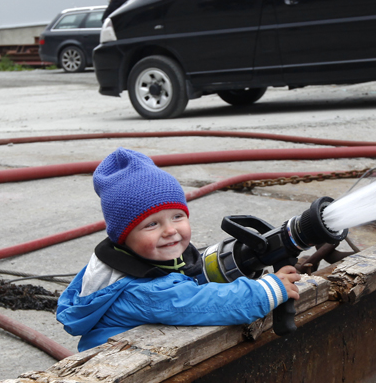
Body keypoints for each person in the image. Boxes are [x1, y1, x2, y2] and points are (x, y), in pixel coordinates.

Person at [56, 147, 300, 352]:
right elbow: (204, 304)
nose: (170, 230)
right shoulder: (143, 291)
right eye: (152, 224)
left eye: (177, 216)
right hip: (116, 370)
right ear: (123, 237)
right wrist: (266, 290)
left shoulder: (130, 259)